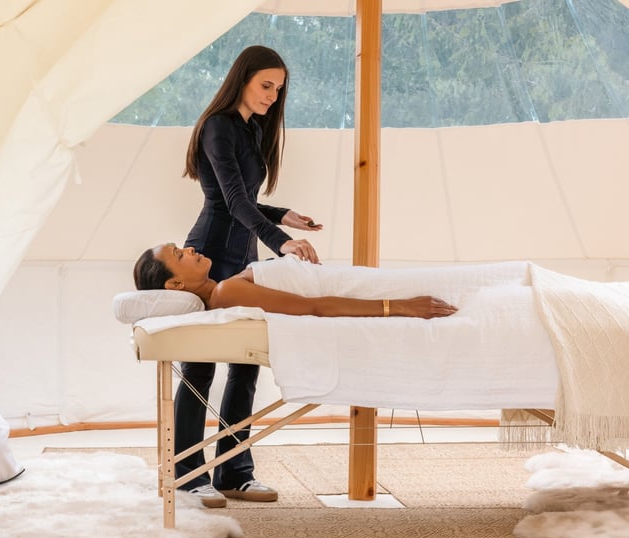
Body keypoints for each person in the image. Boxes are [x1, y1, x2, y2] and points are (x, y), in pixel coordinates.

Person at [173, 45, 324, 509]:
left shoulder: (252, 128)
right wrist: (280, 241)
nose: (273, 96)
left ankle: (234, 471)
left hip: (244, 255)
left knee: (246, 364)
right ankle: (187, 474)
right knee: (200, 366)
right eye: (266, 85)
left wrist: (284, 214)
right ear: (241, 79)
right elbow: (231, 202)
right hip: (211, 252)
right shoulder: (218, 127)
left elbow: (246, 199)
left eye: (278, 90)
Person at [133, 243, 458, 320]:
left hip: (356, 282)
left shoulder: (226, 289)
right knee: (462, 288)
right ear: (175, 285)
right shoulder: (226, 292)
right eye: (179, 255)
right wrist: (401, 305)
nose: (189, 248)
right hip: (365, 290)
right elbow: (313, 306)